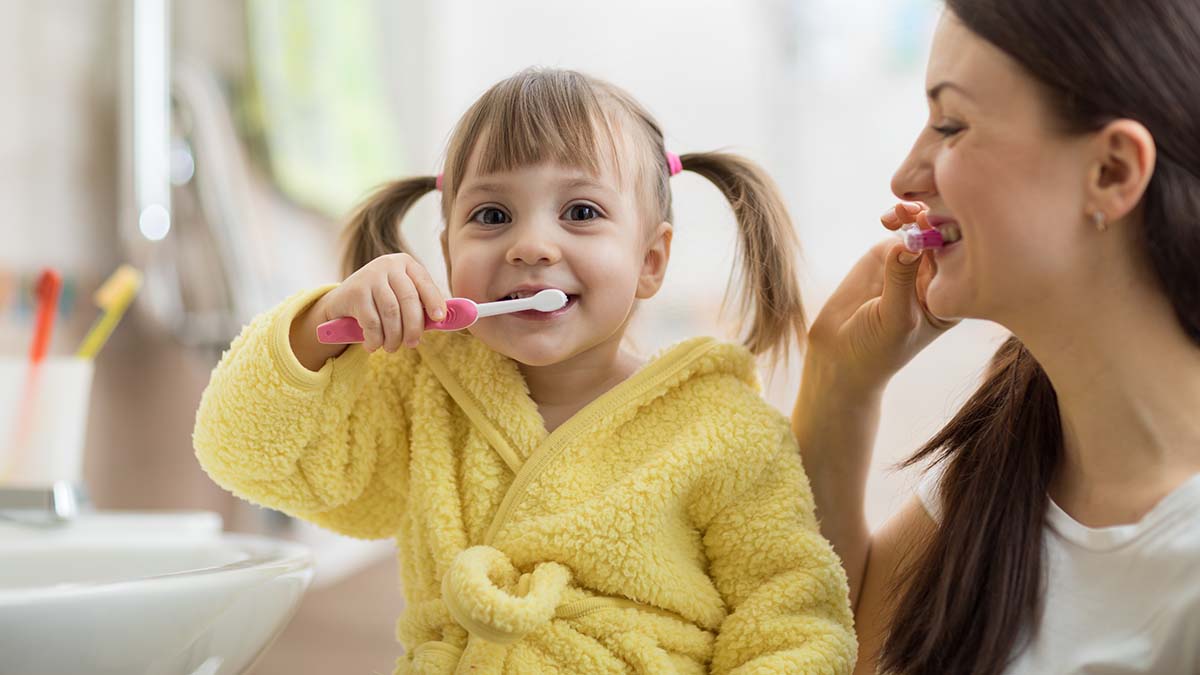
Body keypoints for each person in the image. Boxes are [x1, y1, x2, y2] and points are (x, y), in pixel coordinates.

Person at [194, 68, 856, 673]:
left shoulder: (726, 427)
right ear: (449, 251)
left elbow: (793, 620)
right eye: (491, 215)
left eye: (581, 212)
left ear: (650, 260)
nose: (531, 245)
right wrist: (317, 326)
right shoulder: (421, 390)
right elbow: (246, 455)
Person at [793, 2, 1200, 673]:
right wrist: (839, 379)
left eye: (950, 125)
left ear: (1113, 171)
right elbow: (829, 648)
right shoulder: (1009, 455)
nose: (905, 178)